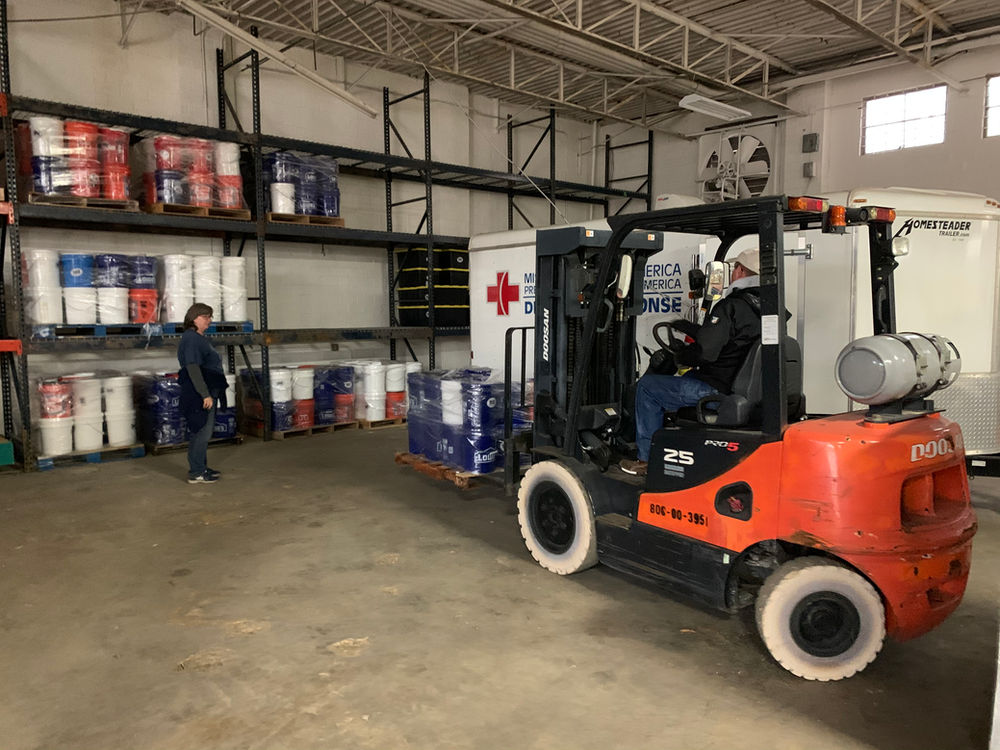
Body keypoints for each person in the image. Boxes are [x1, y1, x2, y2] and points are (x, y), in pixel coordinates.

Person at [621, 248, 763, 476]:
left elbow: (706, 353)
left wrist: (681, 356)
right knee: (683, 379)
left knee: (648, 388)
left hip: (716, 389)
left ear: (740, 271)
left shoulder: (731, 306)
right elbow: (731, 340)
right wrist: (691, 329)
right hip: (740, 387)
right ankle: (670, 442)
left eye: (734, 268)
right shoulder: (767, 309)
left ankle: (646, 460)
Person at [178, 303, 228, 484]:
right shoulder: (191, 338)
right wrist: (204, 394)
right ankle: (197, 472)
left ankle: (201, 467)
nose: (209, 320)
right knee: (201, 431)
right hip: (199, 392)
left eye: (210, 316)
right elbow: (193, 367)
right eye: (205, 316)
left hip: (206, 389)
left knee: (203, 431)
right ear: (194, 318)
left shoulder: (198, 338)